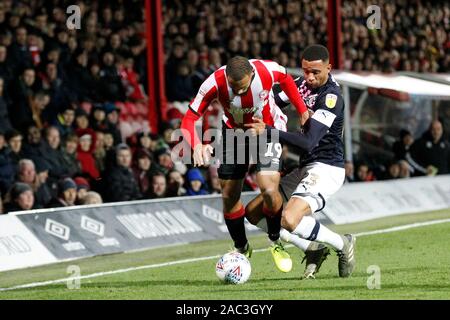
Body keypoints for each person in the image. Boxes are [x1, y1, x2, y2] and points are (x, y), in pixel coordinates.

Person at [180, 56, 309, 272]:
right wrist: (196, 145)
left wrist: (303, 111)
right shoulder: (214, 82)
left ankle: (275, 241)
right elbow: (189, 118)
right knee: (229, 196)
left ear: (252, 75)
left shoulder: (268, 70)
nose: (238, 93)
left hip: (266, 129)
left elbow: (287, 80)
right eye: (233, 87)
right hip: (234, 134)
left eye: (242, 87)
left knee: (268, 188)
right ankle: (241, 246)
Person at [245, 45, 356, 279]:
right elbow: (273, 99)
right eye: (306, 71)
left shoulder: (331, 97)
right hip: (306, 166)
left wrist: (269, 131)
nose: (309, 77)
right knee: (254, 212)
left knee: (289, 218)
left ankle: (342, 243)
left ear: (329, 68)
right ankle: (312, 250)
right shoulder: (302, 84)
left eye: (315, 72)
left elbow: (308, 142)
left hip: (327, 168)